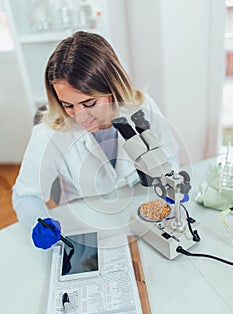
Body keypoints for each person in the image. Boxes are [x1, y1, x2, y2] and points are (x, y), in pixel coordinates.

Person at [12, 31, 179, 249]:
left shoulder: (142, 108)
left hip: (143, 217)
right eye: (68, 105)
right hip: (85, 226)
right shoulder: (49, 133)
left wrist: (172, 193)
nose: (80, 117)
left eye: (89, 103)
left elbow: (170, 158)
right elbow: (27, 195)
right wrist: (37, 223)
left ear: (112, 89)